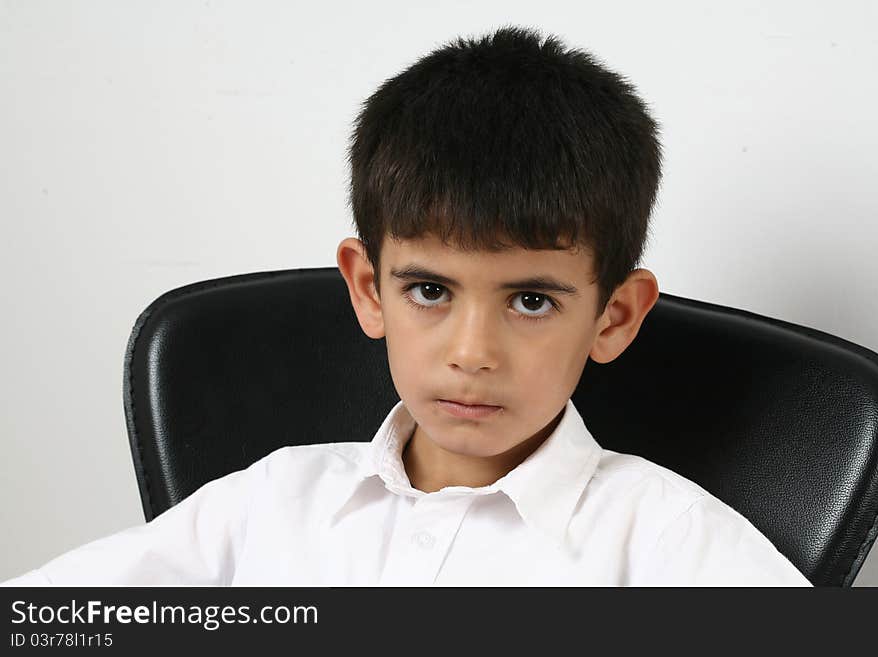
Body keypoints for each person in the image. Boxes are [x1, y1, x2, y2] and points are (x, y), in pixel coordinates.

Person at [2, 25, 810, 586]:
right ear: (366, 287)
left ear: (614, 317)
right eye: (430, 290)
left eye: (531, 299)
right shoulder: (272, 507)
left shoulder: (667, 543)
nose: (472, 351)